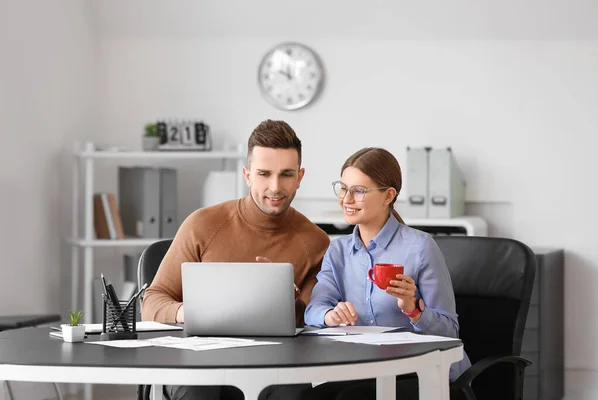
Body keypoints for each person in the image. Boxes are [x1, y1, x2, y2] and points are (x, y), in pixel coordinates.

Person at [142, 119, 330, 400]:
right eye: (264, 173)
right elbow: (152, 300)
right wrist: (187, 312)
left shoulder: (315, 242)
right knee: (198, 392)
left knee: (292, 394)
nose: (275, 187)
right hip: (200, 365)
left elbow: (314, 320)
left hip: (277, 366)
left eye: (286, 174)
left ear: (300, 177)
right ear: (247, 175)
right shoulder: (202, 224)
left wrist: (286, 295)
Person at [303, 147, 471, 400]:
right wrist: (329, 315)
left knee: (352, 398)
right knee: (310, 396)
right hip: (365, 371)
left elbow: (449, 332)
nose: (346, 199)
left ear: (388, 195)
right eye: (343, 187)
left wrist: (413, 309)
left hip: (424, 374)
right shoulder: (337, 250)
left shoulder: (420, 247)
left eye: (358, 190)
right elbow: (313, 310)